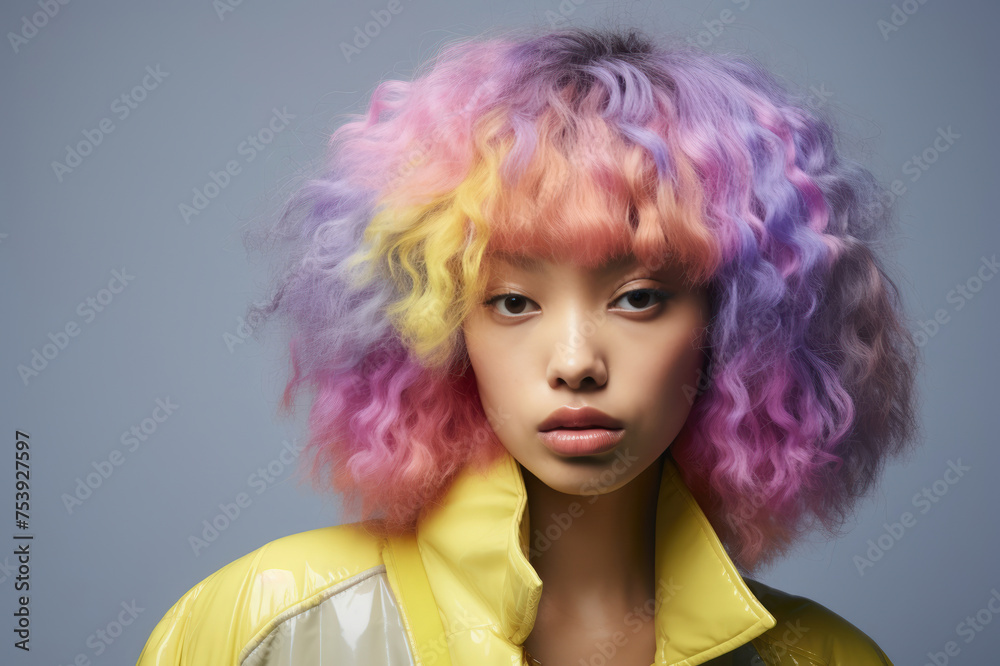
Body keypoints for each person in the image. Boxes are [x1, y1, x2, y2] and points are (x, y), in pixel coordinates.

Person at [137, 25, 920, 666]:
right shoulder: (266, 629)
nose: (576, 361)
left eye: (639, 298)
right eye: (513, 302)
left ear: (738, 327)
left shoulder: (827, 659)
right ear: (438, 329)